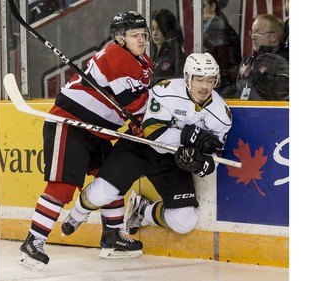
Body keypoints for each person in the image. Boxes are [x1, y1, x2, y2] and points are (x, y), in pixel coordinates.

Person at [18, 11, 153, 270]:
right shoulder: (116, 55)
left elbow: (138, 103)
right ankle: (33, 241)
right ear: (119, 38)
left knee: (110, 179)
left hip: (99, 130)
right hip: (71, 122)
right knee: (62, 186)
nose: (142, 40)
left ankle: (112, 237)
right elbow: (133, 103)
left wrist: (139, 123)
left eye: (143, 35)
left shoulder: (142, 60)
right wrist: (144, 122)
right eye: (135, 35)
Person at [61, 53, 232, 254]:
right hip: (139, 147)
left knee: (184, 220)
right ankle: (77, 213)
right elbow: (152, 132)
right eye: (199, 79)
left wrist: (202, 164)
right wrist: (188, 137)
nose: (204, 86)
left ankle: (143, 210)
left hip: (172, 161)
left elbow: (215, 156)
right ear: (188, 78)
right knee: (101, 193)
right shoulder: (165, 90)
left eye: (210, 80)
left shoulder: (221, 114)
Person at [191, 0, 242, 98]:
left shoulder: (221, 32)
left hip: (218, 90)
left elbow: (228, 70)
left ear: (213, 6)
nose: (197, 11)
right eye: (194, 8)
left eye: (202, 7)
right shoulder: (204, 30)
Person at [233, 14, 289, 101]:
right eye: (252, 32)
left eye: (258, 32)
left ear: (273, 36)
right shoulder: (247, 61)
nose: (252, 37)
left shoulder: (286, 61)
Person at [150, 9, 187, 86]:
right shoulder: (151, 55)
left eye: (159, 29)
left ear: (168, 30)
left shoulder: (178, 58)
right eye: (153, 29)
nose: (154, 33)